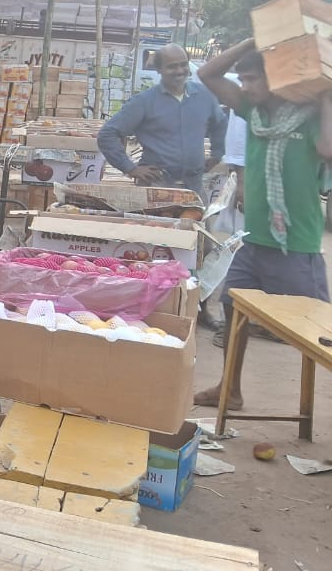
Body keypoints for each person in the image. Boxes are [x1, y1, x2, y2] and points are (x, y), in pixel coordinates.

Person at [193, 38, 332, 411]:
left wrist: (324, 91)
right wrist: (252, 42)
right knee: (233, 314)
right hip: (254, 241)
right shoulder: (252, 114)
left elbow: (327, 150)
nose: (247, 86)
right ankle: (230, 390)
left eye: (253, 79)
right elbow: (208, 73)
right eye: (244, 79)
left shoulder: (313, 115)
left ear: (278, 80)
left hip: (295, 246)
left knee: (319, 335)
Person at [96, 44, 227, 200]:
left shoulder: (204, 95)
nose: (179, 71)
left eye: (183, 64)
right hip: (157, 187)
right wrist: (129, 168)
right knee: (156, 224)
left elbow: (220, 123)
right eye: (172, 67)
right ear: (158, 69)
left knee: (198, 223)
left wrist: (217, 154)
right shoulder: (144, 102)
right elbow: (107, 134)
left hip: (194, 187)